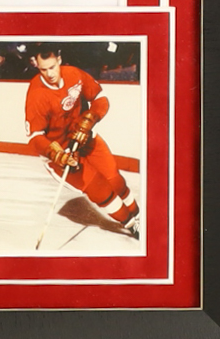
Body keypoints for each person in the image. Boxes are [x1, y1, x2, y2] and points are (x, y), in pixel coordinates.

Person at [24, 43, 140, 238]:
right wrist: (58, 155)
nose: (50, 74)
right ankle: (132, 226)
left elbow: (100, 98)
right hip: (63, 153)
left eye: (52, 67)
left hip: (85, 138)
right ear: (36, 66)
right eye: (44, 70)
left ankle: (137, 214)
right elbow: (35, 137)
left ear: (59, 60)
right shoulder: (37, 95)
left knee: (115, 181)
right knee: (101, 190)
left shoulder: (74, 74)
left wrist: (90, 119)